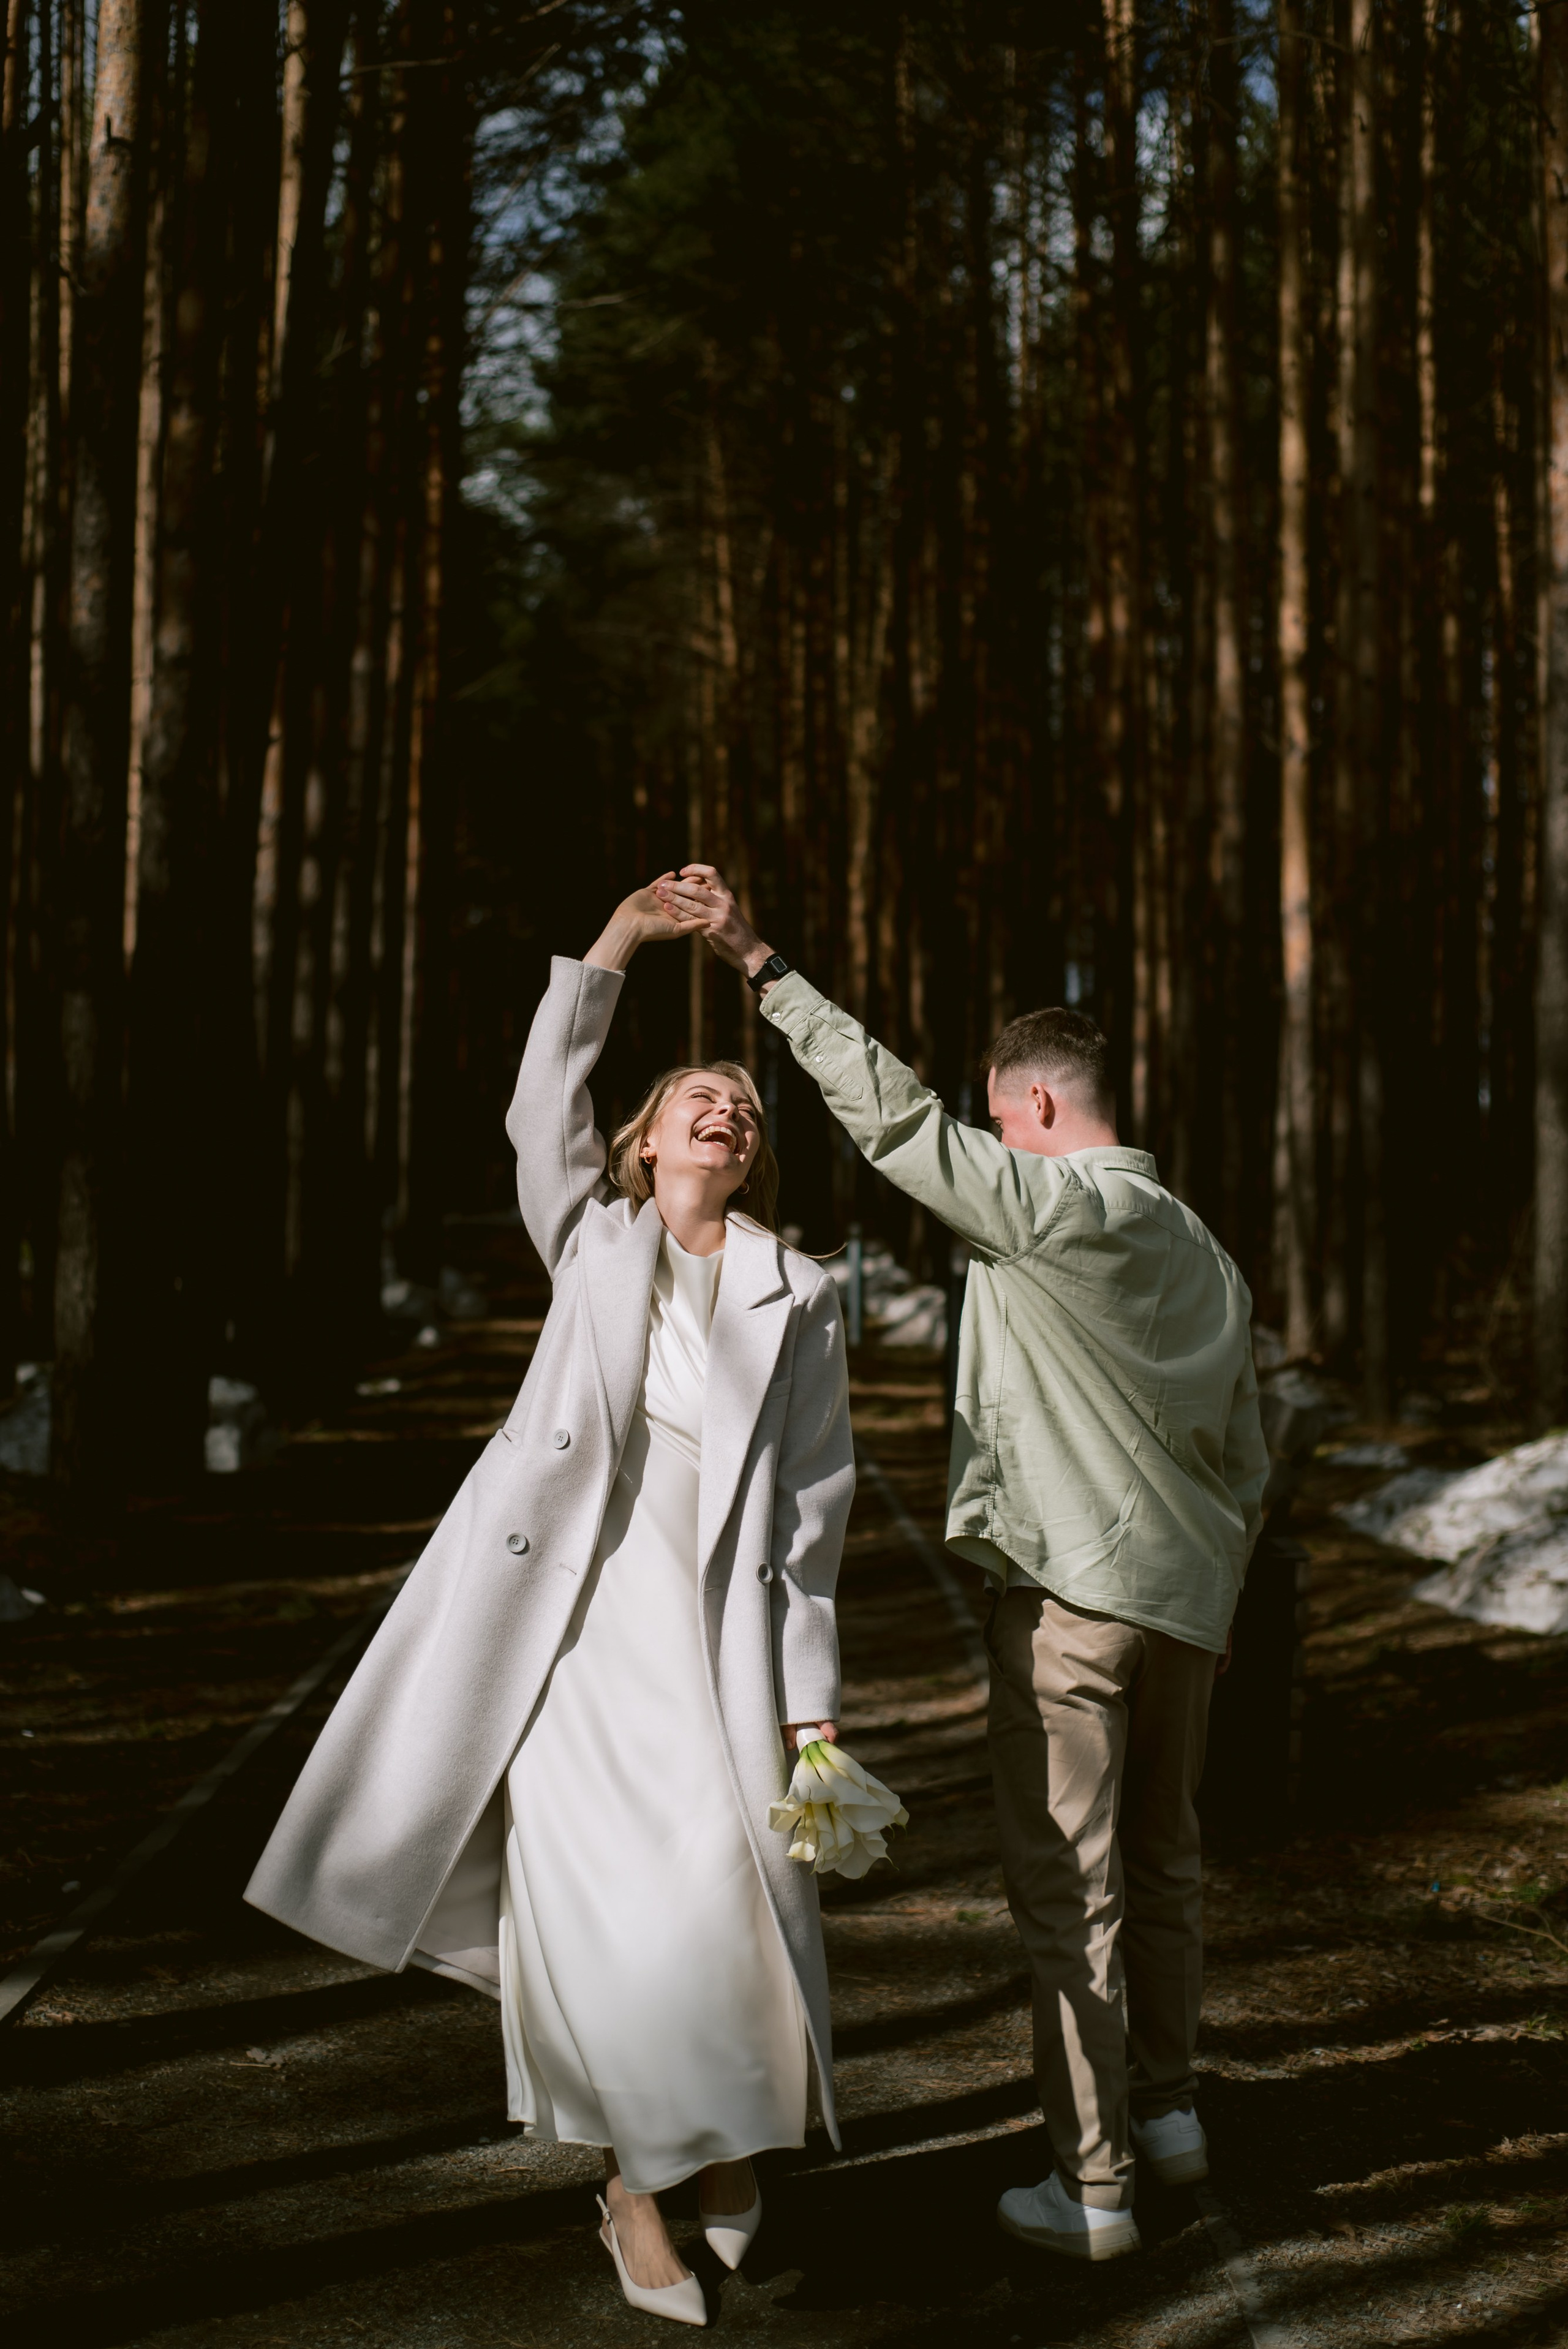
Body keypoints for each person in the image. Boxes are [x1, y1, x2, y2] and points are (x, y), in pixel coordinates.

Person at [246, 881, 855, 2329]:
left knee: (720, 1901)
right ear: (644, 1139)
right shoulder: (591, 1243)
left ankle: (718, 2138)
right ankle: (639, 2184)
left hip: (718, 1648)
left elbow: (811, 1508)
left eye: (744, 1110)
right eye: (699, 1098)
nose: (725, 1114)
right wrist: (623, 939)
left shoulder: (800, 1290)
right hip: (568, 1644)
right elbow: (540, 1107)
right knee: (600, 1913)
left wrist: (811, 1699)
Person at [659, 863, 1269, 2266]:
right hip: (1186, 1609)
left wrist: (760, 963)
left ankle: (1093, 2186)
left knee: (1072, 1893)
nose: (990, 1140)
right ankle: (1167, 2113)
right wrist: (1220, 1594)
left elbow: (889, 1117)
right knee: (1168, 1865)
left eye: (996, 1119)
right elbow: (1247, 1451)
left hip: (1069, 1605)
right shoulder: (1209, 1257)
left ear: (1035, 1106)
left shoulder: (1049, 1207)